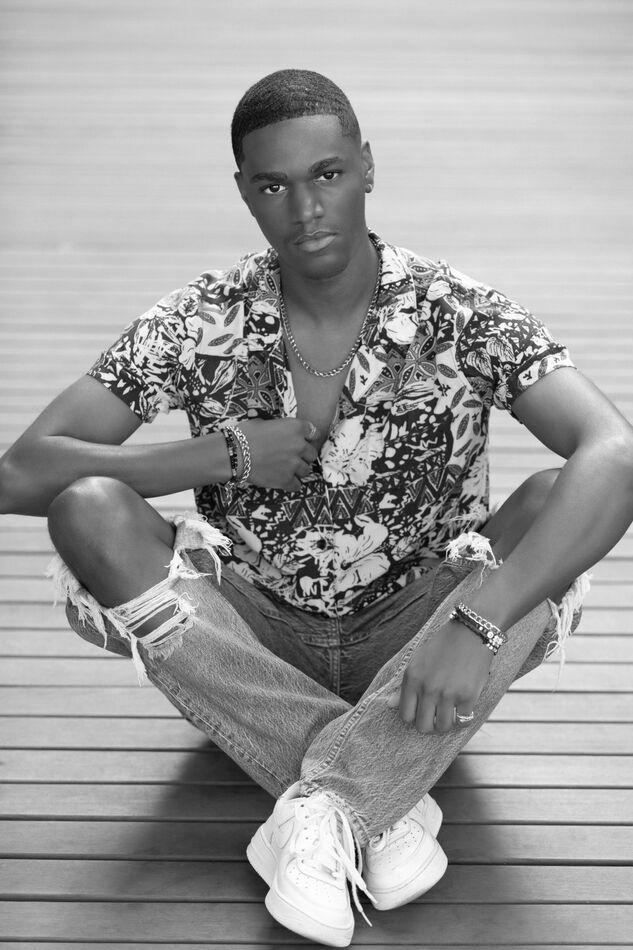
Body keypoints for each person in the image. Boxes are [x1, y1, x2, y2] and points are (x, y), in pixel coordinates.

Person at [1, 68, 632, 947]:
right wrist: (218, 454)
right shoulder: (200, 319)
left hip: (425, 631)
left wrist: (476, 624)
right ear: (243, 192)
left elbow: (614, 454)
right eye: (273, 186)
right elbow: (19, 472)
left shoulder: (456, 311)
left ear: (367, 166)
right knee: (90, 506)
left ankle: (320, 803)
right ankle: (375, 795)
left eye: (327, 174)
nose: (305, 209)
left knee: (557, 499)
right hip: (248, 636)